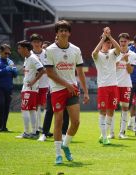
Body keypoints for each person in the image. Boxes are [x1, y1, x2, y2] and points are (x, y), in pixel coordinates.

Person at [44, 20, 89, 164]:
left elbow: (80, 72)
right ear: (57, 33)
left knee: (75, 122)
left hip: (72, 89)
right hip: (57, 90)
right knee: (58, 121)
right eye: (60, 30)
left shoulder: (76, 49)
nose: (63, 33)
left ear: (69, 33)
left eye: (65, 30)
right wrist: (66, 85)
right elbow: (50, 73)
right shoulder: (50, 50)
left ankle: (65, 145)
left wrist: (86, 92)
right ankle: (58, 155)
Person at [92, 27, 121, 145]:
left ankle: (104, 135)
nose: (108, 44)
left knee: (111, 112)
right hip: (103, 86)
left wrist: (110, 37)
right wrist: (103, 37)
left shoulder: (113, 53)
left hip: (113, 86)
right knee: (103, 112)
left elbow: (119, 49)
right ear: (102, 42)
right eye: (106, 42)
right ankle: (104, 137)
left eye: (109, 43)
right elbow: (94, 53)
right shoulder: (97, 54)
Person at [38, 41, 69, 142]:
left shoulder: (60, 56)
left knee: (65, 112)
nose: (45, 49)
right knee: (49, 111)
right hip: (52, 89)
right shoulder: (47, 59)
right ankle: (44, 133)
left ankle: (64, 134)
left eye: (46, 47)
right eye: (44, 48)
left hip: (64, 88)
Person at [16, 40, 44, 139]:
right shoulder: (27, 58)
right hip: (28, 87)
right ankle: (34, 132)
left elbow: (42, 70)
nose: (18, 50)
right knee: (32, 110)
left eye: (20, 48)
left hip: (30, 88)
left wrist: (33, 81)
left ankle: (27, 132)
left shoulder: (33, 58)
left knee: (25, 109)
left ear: (25, 49)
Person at [0, 44, 18, 132]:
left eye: (8, 53)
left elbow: (16, 74)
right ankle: (0, 126)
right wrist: (4, 70)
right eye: (5, 53)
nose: (7, 55)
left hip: (8, 87)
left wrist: (13, 70)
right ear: (0, 51)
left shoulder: (10, 61)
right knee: (0, 104)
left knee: (6, 106)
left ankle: (4, 127)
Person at [115, 33, 136, 138]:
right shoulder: (114, 53)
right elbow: (111, 68)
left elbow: (130, 71)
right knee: (111, 108)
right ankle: (110, 133)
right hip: (114, 84)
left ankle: (122, 132)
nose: (123, 43)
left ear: (128, 42)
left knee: (125, 108)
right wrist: (120, 59)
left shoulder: (132, 54)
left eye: (125, 41)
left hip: (126, 84)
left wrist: (126, 61)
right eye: (121, 41)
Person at [30, 33, 49, 135]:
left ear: (41, 43)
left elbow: (49, 68)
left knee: (46, 106)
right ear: (31, 43)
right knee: (36, 106)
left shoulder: (46, 53)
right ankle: (37, 127)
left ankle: (44, 128)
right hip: (34, 84)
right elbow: (27, 69)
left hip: (45, 84)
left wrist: (42, 71)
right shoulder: (29, 54)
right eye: (34, 42)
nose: (37, 44)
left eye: (38, 42)